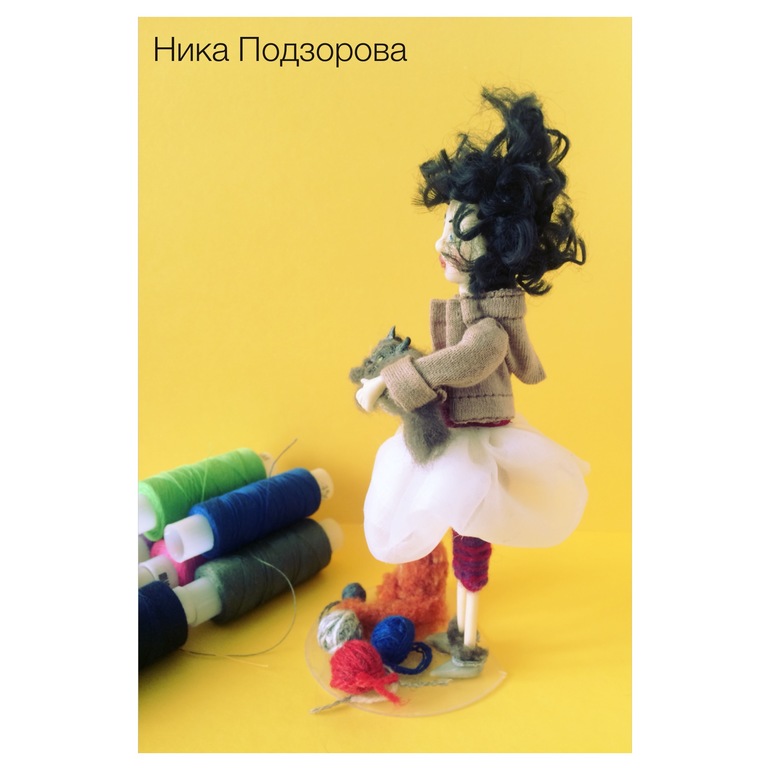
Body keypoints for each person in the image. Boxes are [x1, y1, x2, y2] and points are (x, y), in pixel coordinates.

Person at [356, 88, 589, 678]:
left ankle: (469, 634)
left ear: (497, 247)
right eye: (445, 225)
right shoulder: (472, 307)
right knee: (463, 527)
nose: (442, 243)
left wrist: (392, 380)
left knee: (471, 531)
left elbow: (465, 361)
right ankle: (461, 629)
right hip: (456, 428)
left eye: (459, 232)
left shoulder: (489, 326)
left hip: (478, 435)